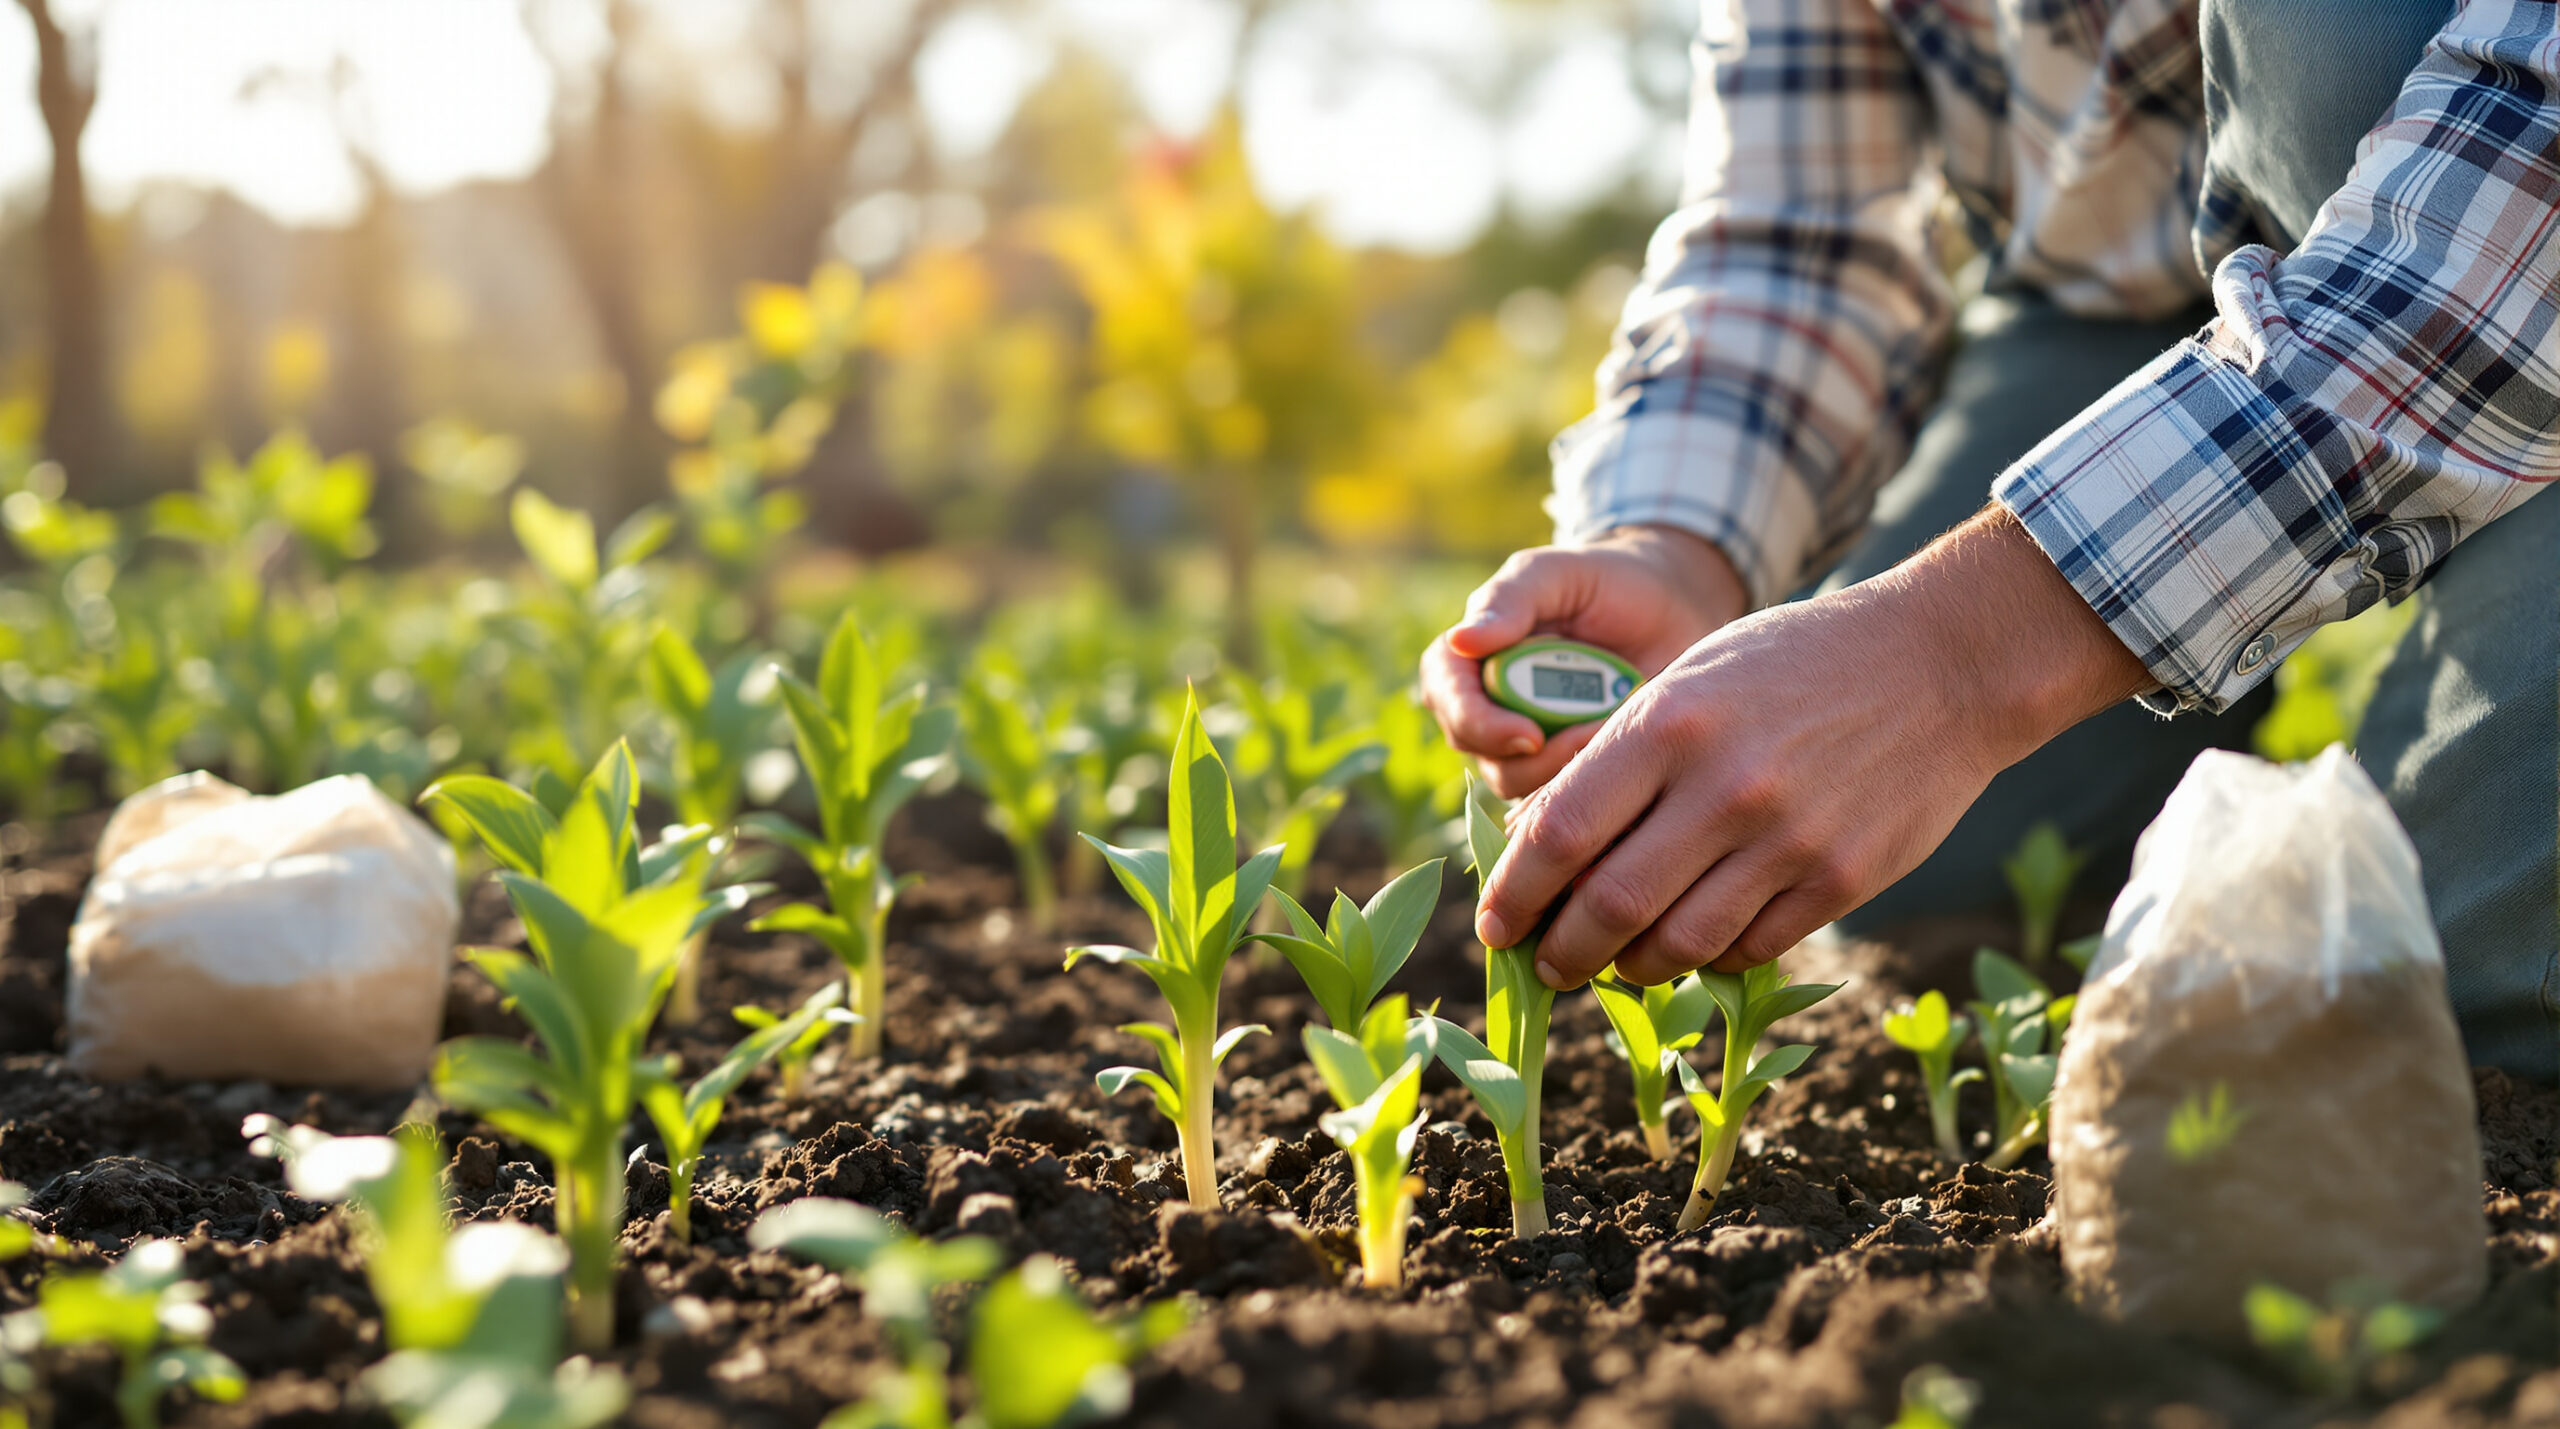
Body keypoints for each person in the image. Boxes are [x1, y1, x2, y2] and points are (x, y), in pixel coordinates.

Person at [1420, 0, 2558, 1078]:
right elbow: (1794, 239)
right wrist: (1673, 547)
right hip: (2123, 306)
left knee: (2467, 977)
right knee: (1910, 873)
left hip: (2507, 241)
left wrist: (1960, 656)